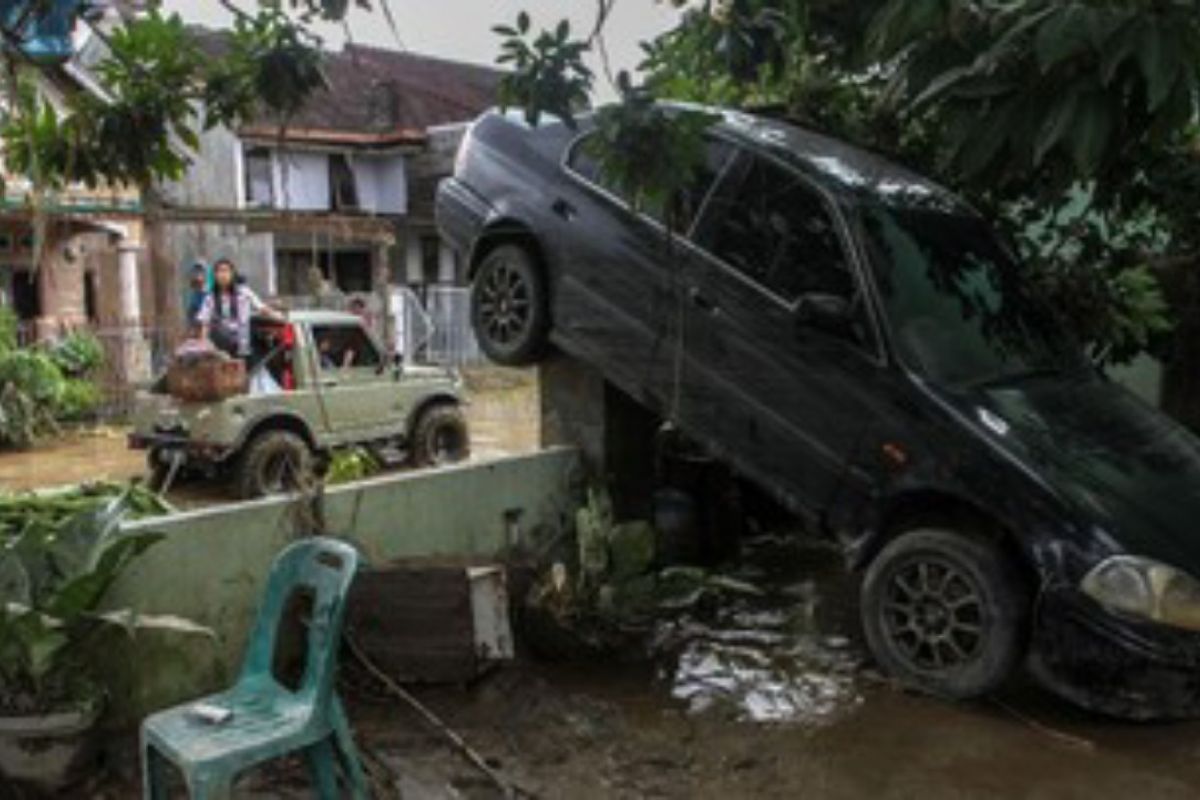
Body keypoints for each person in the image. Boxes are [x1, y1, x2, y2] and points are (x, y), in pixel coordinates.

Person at [196, 258, 283, 359]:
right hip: (222, 339)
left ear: (232, 274)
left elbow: (261, 308)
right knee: (215, 327)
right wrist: (203, 343)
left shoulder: (244, 292)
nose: (223, 275)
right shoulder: (210, 297)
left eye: (226, 271)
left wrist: (278, 315)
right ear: (215, 275)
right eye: (219, 271)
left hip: (243, 338)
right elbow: (204, 322)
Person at [184, 261, 208, 328]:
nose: (197, 274)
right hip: (197, 324)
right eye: (196, 272)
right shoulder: (194, 294)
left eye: (200, 272)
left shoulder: (209, 293)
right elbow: (191, 314)